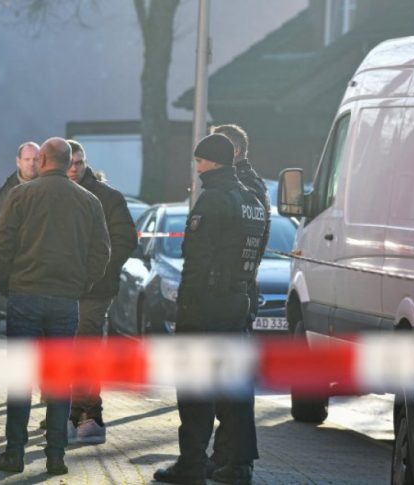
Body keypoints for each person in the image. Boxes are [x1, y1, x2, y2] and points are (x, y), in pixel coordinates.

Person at [0, 137, 110, 476]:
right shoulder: (88, 201)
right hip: (65, 300)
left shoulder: (20, 195)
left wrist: (5, 283)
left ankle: (14, 453)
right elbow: (101, 252)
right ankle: (56, 456)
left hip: (25, 296)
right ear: (68, 162)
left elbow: (1, 245)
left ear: (42, 160)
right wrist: (81, 285)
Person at [154, 134, 266, 485]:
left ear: (213, 162)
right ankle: (238, 465)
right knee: (234, 390)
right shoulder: (252, 201)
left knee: (195, 390)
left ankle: (191, 465)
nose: (197, 167)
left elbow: (196, 260)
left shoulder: (214, 199)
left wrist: (185, 310)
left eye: (200, 161)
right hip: (238, 304)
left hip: (206, 307)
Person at [205, 124, 270, 482]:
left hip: (232, 294)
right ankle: (226, 456)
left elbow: (239, 246)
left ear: (233, 152)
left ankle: (237, 461)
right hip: (237, 291)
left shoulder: (243, 188)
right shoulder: (249, 184)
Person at [65, 139, 137, 444]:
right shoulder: (53, 193)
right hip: (61, 286)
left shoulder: (108, 197)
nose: (74, 168)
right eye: (69, 162)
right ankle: (73, 415)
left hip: (96, 289)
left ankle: (89, 416)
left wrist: (96, 271)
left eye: (79, 162)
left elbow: (125, 240)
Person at [0, 141, 40, 291]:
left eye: (36, 159)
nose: (31, 163)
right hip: (11, 276)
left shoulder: (50, 192)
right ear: (18, 162)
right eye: (27, 159)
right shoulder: (2, 195)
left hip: (43, 274)